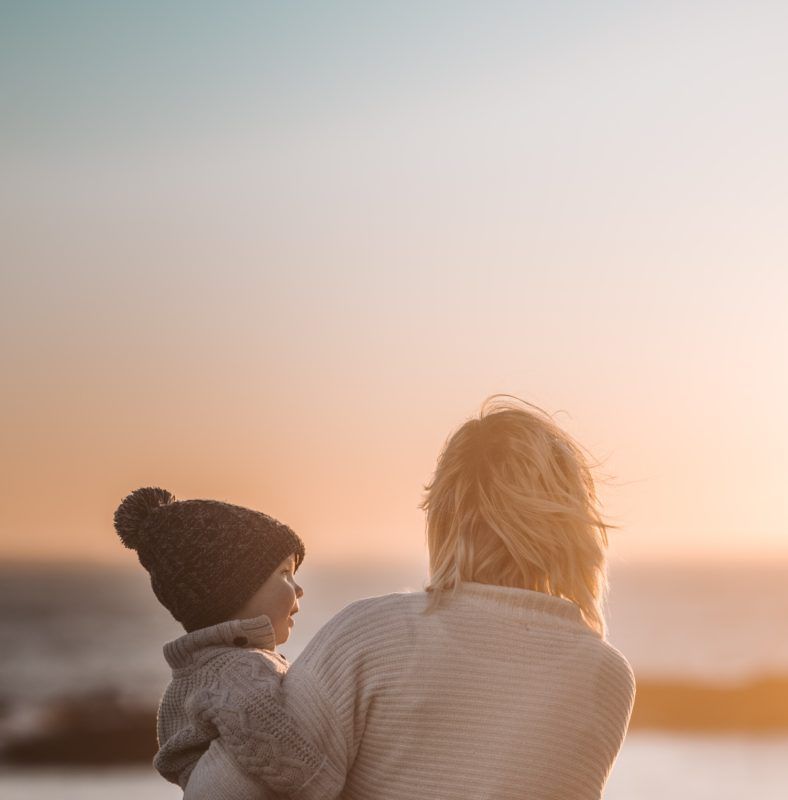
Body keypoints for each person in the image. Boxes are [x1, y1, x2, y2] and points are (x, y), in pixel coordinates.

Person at [186, 396, 637, 800]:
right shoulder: (607, 675)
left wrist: (236, 680)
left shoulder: (371, 636)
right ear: (574, 523)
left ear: (444, 514)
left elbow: (218, 794)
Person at [113, 486, 323, 799]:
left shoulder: (203, 668)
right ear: (232, 593)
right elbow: (297, 764)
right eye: (284, 574)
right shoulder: (237, 670)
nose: (299, 588)